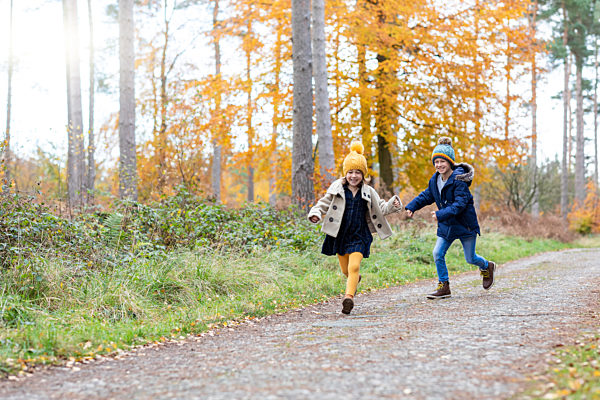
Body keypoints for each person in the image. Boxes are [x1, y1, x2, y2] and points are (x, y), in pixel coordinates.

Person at [308, 141, 402, 314]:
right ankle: (354, 280)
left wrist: (392, 204)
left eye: (358, 172)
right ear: (345, 173)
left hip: (360, 234)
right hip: (340, 234)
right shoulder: (337, 188)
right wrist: (315, 213)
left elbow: (381, 207)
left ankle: (348, 298)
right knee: (345, 270)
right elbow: (323, 203)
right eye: (350, 172)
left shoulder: (369, 191)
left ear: (363, 174)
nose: (353, 176)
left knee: (353, 267)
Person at [404, 136, 496, 299]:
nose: (439, 165)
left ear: (450, 162)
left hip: (464, 225)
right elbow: (426, 196)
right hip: (447, 226)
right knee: (437, 253)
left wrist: (440, 214)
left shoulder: (459, 181)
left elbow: (459, 205)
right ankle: (444, 286)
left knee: (470, 258)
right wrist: (412, 206)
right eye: (436, 162)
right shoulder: (435, 180)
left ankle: (487, 266)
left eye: (442, 161)